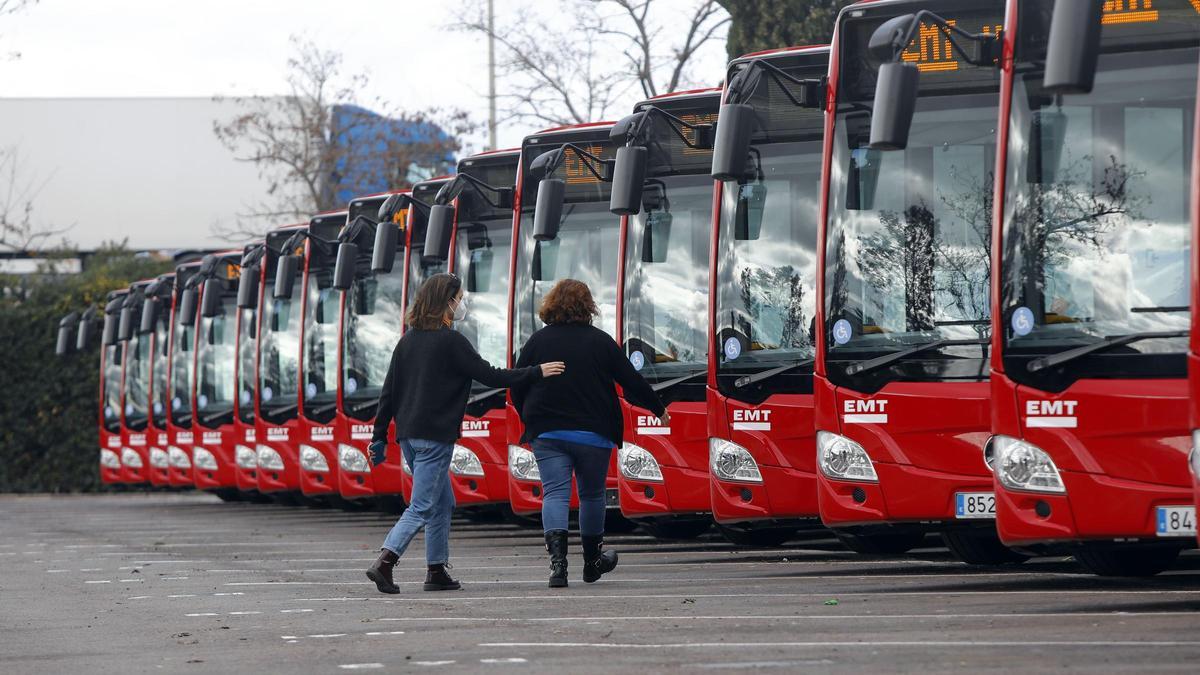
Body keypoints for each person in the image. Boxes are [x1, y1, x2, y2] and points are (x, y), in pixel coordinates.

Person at [365, 273, 564, 594]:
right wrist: (536, 372)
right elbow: (489, 374)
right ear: (446, 302)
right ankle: (385, 561)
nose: (462, 304)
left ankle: (436, 569)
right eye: (459, 298)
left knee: (443, 502)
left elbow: (388, 393)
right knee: (423, 505)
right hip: (434, 436)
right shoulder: (451, 341)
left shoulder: (407, 341)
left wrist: (378, 436)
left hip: (409, 437)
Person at [511, 279, 667, 588]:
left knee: (554, 493)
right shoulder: (600, 341)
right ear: (588, 306)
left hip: (547, 430)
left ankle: (558, 567)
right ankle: (592, 562)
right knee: (592, 494)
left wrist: (527, 412)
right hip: (592, 432)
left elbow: (518, 381)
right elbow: (630, 379)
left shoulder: (537, 342)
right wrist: (657, 407)